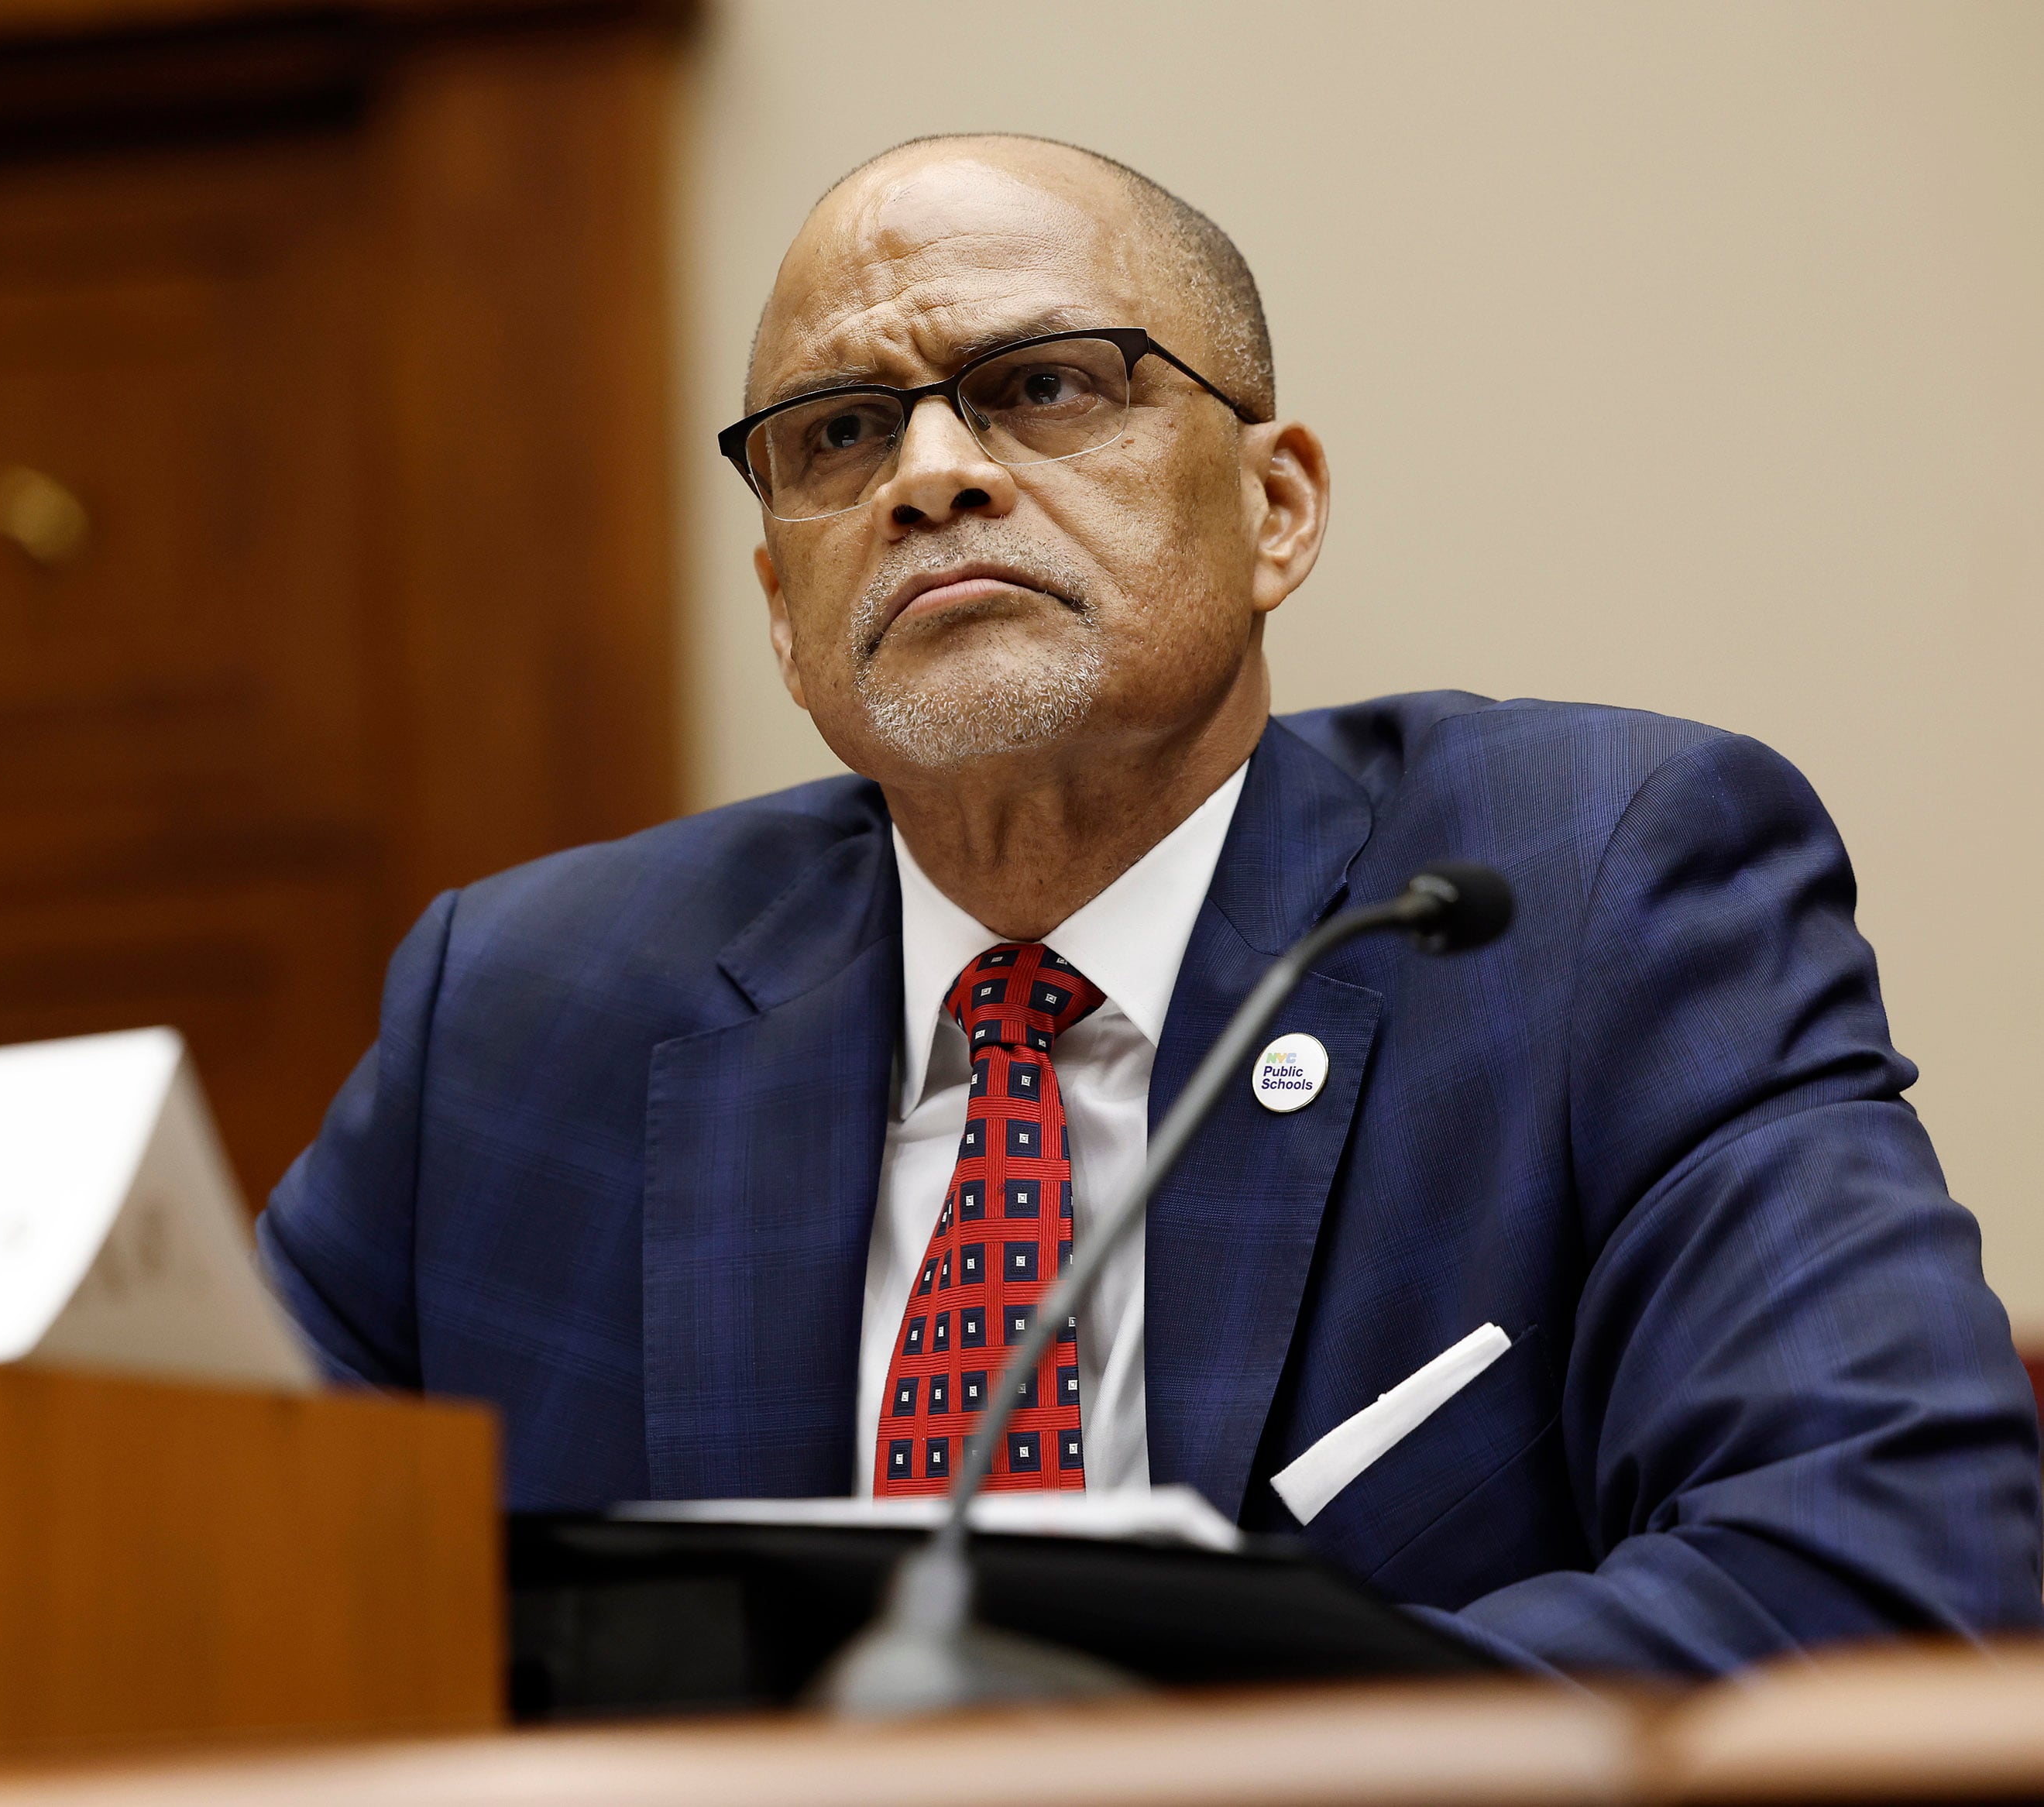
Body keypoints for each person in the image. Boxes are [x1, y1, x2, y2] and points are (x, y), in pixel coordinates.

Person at [258, 133, 2042, 1673]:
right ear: (783, 606)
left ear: (1275, 508)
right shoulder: (517, 1011)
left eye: (1045, 384)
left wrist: (1150, 1764)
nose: (928, 475)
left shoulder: (1592, 889)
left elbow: (1881, 1560)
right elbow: (196, 1571)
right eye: (838, 432)